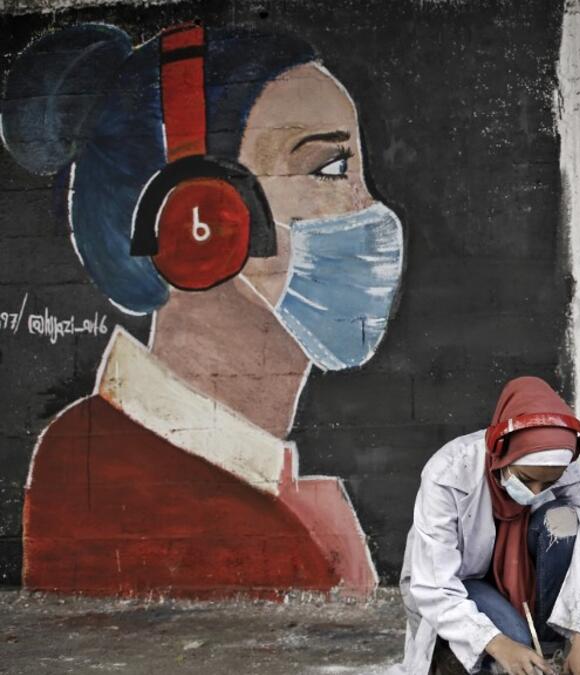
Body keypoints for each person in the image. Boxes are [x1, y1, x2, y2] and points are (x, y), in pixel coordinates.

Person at [3, 23, 402, 597]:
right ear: (201, 220)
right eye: (330, 170)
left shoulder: (254, 482)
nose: (372, 211)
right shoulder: (135, 485)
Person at [399, 376, 580, 675]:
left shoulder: (564, 471)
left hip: (526, 579)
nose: (535, 493)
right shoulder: (448, 472)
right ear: (501, 452)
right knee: (514, 644)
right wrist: (500, 644)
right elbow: (435, 583)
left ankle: (550, 646)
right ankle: (454, 654)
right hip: (463, 583)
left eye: (547, 484)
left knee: (565, 521)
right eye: (526, 479)